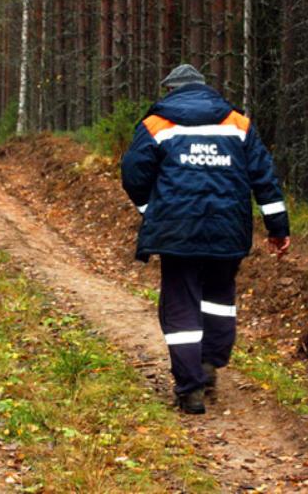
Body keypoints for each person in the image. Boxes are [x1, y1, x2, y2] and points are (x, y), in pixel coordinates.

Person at [121, 64, 290, 414]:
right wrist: (278, 228)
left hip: (177, 232)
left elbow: (133, 172)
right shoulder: (237, 123)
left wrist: (151, 209)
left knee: (181, 305)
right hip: (227, 229)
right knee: (218, 299)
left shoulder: (157, 123)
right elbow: (265, 178)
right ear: (203, 89)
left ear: (171, 91)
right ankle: (210, 364)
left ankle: (190, 390)